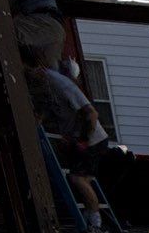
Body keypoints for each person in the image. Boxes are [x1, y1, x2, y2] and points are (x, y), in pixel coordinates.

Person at [25, 63, 108, 223]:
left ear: (40, 68)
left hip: (93, 139)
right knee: (82, 181)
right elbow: (52, 109)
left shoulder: (63, 85)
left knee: (77, 178)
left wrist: (83, 140)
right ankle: (90, 217)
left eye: (30, 74)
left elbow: (92, 114)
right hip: (81, 139)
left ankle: (96, 221)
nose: (30, 82)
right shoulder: (47, 86)